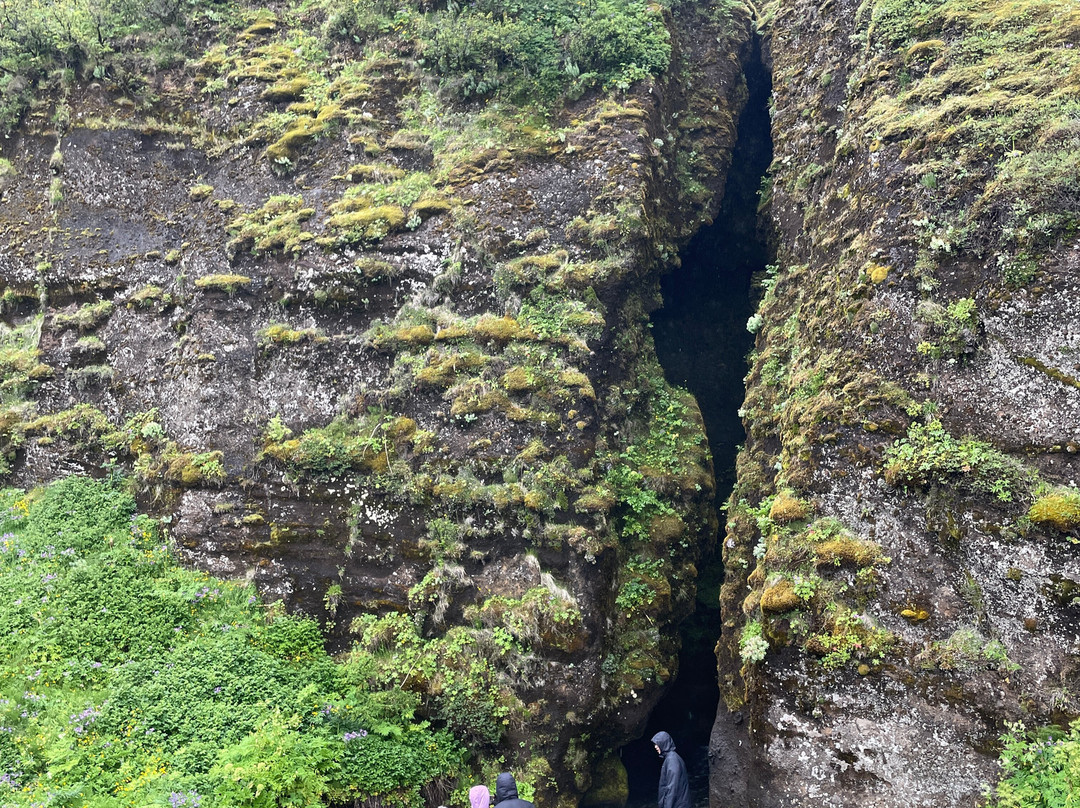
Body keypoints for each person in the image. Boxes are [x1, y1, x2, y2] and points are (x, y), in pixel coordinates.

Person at [651, 731, 691, 808]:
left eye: (657, 743)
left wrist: (667, 806)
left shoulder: (672, 760)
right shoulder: (671, 758)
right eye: (654, 744)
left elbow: (672, 787)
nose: (655, 746)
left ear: (664, 743)